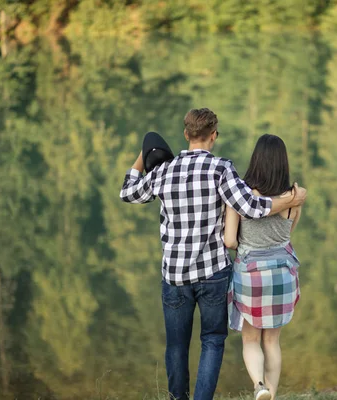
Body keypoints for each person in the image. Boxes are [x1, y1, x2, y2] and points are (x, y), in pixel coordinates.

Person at [119, 109, 307, 400]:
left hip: (175, 275)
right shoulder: (221, 169)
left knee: (176, 345)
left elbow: (128, 192)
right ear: (214, 135)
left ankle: (177, 398)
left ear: (185, 135)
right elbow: (252, 208)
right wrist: (291, 198)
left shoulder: (164, 170)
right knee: (212, 341)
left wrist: (145, 155)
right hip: (212, 273)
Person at [224, 134, 302, 400]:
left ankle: (259, 386)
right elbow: (288, 235)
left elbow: (230, 240)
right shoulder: (293, 197)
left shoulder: (240, 196)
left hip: (251, 274)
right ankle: (273, 395)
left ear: (256, 159)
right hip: (283, 274)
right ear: (283, 161)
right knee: (272, 341)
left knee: (250, 339)